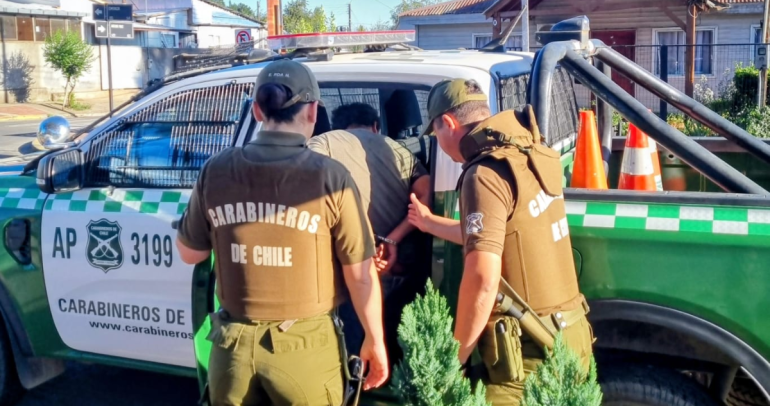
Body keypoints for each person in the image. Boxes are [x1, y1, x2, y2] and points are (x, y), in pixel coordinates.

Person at [175, 59, 389, 406]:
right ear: (314, 111)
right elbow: (360, 276)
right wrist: (374, 340)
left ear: (258, 111)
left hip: (232, 350)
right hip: (305, 350)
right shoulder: (330, 177)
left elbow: (190, 253)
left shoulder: (215, 170)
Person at [408, 78, 594, 405]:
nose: (439, 141)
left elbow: (482, 279)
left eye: (435, 133)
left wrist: (455, 360)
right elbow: (491, 236)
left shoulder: (485, 174)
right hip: (571, 334)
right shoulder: (529, 152)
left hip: (530, 352)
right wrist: (428, 222)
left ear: (448, 123)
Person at [307, 102, 431, 360]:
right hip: (397, 273)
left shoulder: (326, 143)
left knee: (353, 357)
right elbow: (426, 195)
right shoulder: (399, 150)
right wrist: (392, 240)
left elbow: (307, 182)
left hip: (351, 278)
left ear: (338, 127)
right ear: (375, 126)